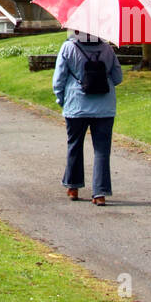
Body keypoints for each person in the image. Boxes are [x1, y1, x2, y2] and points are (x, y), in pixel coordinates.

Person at [52, 30, 123, 205]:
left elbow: (58, 79)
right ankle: (99, 193)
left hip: (76, 105)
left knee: (74, 145)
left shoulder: (68, 48)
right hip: (104, 108)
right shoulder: (108, 49)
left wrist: (61, 99)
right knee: (102, 150)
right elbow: (117, 77)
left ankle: (73, 187)